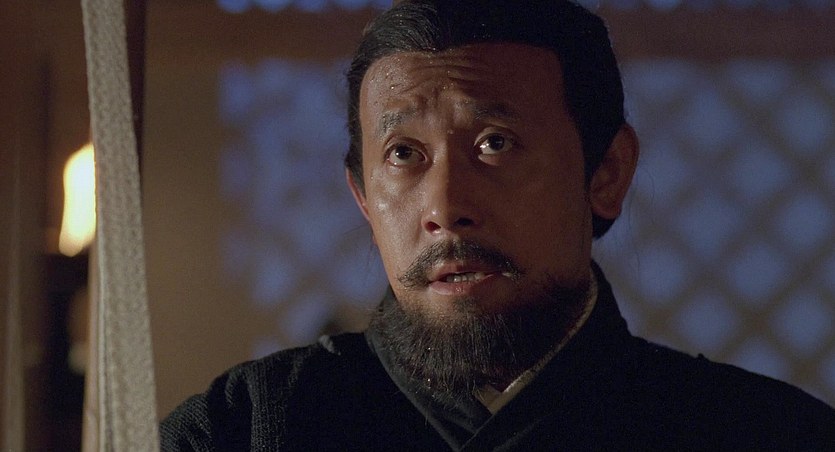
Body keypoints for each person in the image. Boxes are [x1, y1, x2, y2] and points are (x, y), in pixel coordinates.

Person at [160, 1, 835, 449]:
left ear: (606, 172)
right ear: (363, 197)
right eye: (404, 155)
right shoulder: (239, 430)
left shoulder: (764, 433)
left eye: (494, 144)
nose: (445, 205)